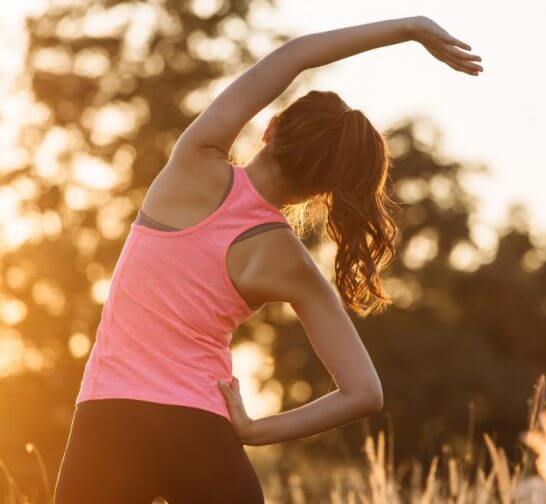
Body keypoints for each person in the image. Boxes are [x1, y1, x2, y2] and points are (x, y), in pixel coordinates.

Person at [53, 15, 482, 503]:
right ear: (324, 190)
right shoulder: (291, 262)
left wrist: (410, 28)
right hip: (202, 432)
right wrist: (255, 431)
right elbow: (365, 392)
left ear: (272, 128)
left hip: (109, 420)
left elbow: (295, 56)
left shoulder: (194, 162)